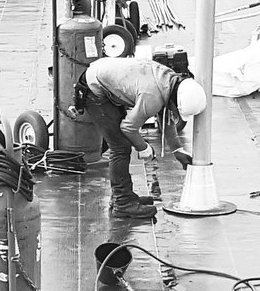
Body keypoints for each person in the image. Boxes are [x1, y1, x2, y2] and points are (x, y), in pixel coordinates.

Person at [76, 56, 207, 220]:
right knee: (120, 147)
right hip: (93, 88)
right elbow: (128, 127)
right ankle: (123, 203)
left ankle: (122, 196)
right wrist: (143, 147)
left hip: (103, 77)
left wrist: (177, 150)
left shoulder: (170, 81)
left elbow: (166, 117)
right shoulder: (152, 97)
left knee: (121, 144)